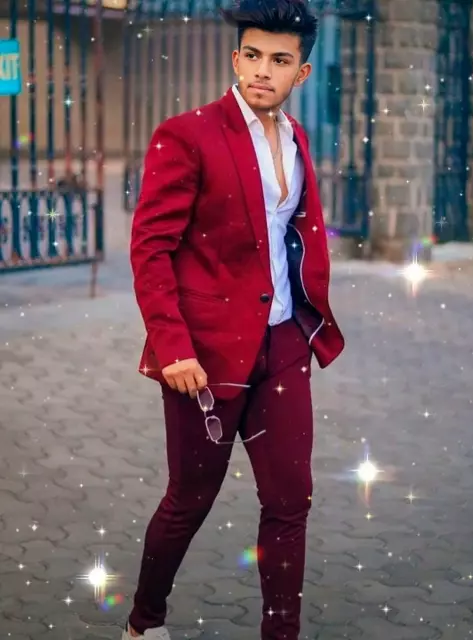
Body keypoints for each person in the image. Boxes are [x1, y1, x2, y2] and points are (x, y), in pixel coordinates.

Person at [123, 1, 345, 638]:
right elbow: (150, 248)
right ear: (235, 58)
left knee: (290, 501)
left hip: (283, 344)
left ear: (301, 72)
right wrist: (172, 347)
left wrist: (308, 317)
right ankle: (143, 623)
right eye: (252, 55)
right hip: (204, 355)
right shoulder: (187, 135)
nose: (262, 70)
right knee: (190, 499)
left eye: (279, 60)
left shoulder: (296, 139)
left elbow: (293, 234)